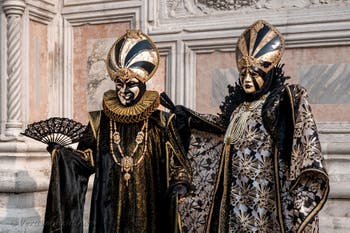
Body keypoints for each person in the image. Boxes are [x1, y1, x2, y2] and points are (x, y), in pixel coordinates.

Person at [163, 20, 329, 232]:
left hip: (261, 201)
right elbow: (220, 130)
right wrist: (185, 116)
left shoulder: (278, 104)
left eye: (255, 73)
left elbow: (300, 138)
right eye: (243, 74)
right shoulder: (239, 107)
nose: (247, 79)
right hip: (233, 198)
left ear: (268, 74)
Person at [43, 29, 192, 233]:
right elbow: (87, 159)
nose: (123, 91)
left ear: (142, 84)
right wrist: (63, 155)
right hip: (108, 208)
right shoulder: (100, 121)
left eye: (130, 84)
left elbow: (178, 162)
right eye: (119, 84)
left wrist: (180, 183)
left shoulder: (161, 122)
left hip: (149, 208)